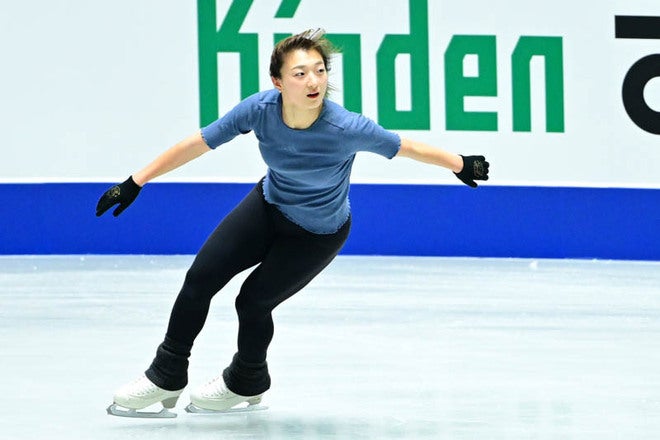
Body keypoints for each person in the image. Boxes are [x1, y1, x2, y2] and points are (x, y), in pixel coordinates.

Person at [98, 28, 489, 417]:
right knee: (199, 279)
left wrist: (460, 163)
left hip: (317, 234)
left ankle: (247, 381)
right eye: (300, 73)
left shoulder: (347, 128)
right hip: (267, 206)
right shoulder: (259, 109)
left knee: (253, 302)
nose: (314, 81)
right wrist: (136, 182)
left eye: (320, 70)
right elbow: (201, 141)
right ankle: (166, 376)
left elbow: (406, 146)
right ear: (278, 82)